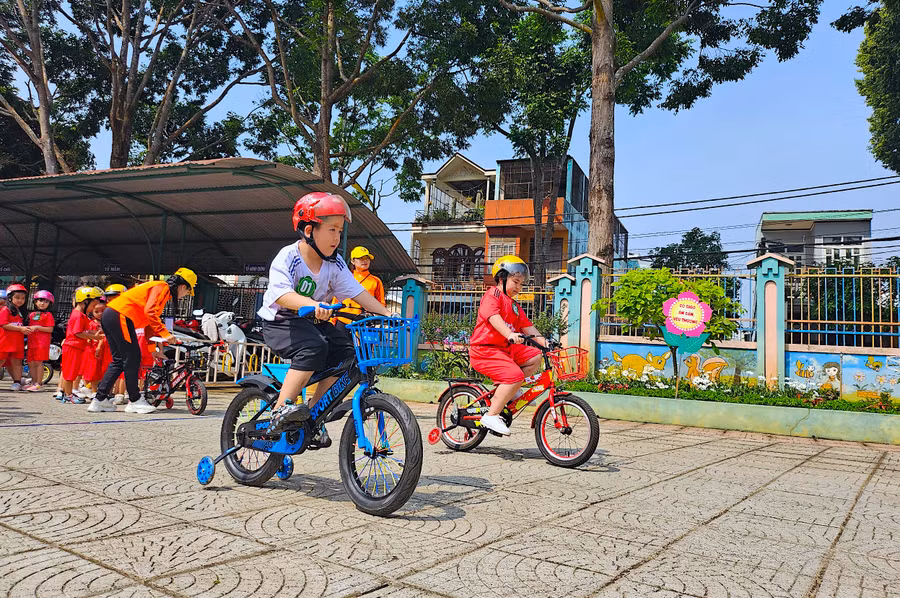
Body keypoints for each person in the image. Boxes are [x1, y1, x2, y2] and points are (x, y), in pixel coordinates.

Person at [259, 192, 393, 442]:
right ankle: (280, 410)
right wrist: (312, 303)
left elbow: (357, 292)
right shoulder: (289, 256)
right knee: (313, 347)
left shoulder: (336, 263)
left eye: (340, 231)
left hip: (312, 321)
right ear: (309, 230)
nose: (337, 237)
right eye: (332, 229)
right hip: (280, 321)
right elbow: (281, 294)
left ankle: (314, 413)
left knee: (347, 350)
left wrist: (387, 314)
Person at [87, 268, 196, 414]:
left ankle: (99, 400)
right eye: (188, 292)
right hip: (121, 316)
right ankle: (135, 400)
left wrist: (152, 350)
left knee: (119, 360)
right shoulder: (162, 288)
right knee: (132, 358)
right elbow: (150, 312)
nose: (185, 296)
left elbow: (149, 324)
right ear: (183, 287)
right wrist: (165, 334)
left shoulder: (160, 290)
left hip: (112, 314)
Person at [468, 255, 549, 436]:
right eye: (516, 282)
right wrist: (509, 334)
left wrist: (546, 342)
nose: (519, 288)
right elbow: (493, 317)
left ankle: (511, 390)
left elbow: (529, 329)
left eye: (521, 284)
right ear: (502, 278)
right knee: (515, 375)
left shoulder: (514, 306)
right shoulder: (492, 295)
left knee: (535, 355)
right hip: (484, 350)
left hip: (504, 350)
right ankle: (491, 415)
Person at [61, 287, 105, 403]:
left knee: (73, 372)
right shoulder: (78, 315)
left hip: (76, 347)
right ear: (85, 302)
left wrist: (94, 333)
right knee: (70, 373)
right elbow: (78, 333)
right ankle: (68, 395)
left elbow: (84, 330)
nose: (92, 309)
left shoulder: (81, 315)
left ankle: (68, 394)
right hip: (73, 347)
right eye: (93, 305)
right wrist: (94, 337)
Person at [333, 246, 386, 329]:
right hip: (343, 320)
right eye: (361, 258)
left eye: (367, 258)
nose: (364, 261)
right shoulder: (345, 277)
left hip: (364, 322)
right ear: (352, 261)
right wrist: (332, 322)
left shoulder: (375, 281)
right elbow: (335, 301)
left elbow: (381, 303)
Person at [0, 284, 32, 391]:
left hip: (17, 341)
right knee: (1, 360)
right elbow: (4, 324)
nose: (20, 300)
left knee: (17, 362)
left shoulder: (20, 311)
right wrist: (21, 329)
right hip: (5, 340)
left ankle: (17, 382)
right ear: (10, 298)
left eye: (22, 298)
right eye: (17, 298)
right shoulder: (5, 310)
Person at [22, 290, 55, 392]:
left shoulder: (48, 315)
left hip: (42, 342)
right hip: (32, 341)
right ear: (35, 302)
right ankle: (33, 381)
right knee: (31, 362)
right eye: (40, 300)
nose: (42, 303)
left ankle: (38, 383)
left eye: (45, 301)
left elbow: (50, 329)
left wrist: (37, 327)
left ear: (49, 303)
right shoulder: (32, 314)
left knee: (38, 362)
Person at [101, 284, 128, 404]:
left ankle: (105, 396)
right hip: (119, 347)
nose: (111, 300)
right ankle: (103, 396)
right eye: (109, 297)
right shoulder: (111, 312)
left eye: (114, 296)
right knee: (118, 365)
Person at [80, 300, 108, 398]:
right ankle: (90, 389)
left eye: (103, 311)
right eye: (97, 311)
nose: (100, 314)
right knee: (90, 369)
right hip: (92, 349)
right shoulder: (90, 323)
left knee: (98, 370)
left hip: (102, 349)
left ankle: (92, 389)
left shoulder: (105, 323)